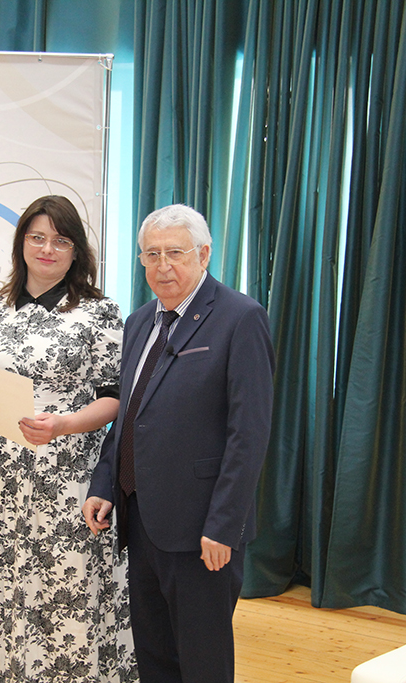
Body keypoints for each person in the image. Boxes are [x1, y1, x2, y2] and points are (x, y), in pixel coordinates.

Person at [82, 204, 275, 683]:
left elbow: (248, 434)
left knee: (203, 662)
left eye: (175, 253)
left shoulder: (240, 318)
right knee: (154, 657)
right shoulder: (138, 322)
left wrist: (224, 525)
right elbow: (129, 414)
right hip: (141, 519)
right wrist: (104, 484)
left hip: (202, 530)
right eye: (152, 254)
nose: (162, 266)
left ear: (203, 254)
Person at [0, 195, 136, 682]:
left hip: (67, 471)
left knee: (65, 586)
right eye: (37, 237)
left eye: (61, 240)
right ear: (21, 243)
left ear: (77, 250)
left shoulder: (99, 313)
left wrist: (65, 423)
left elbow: (116, 398)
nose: (47, 249)